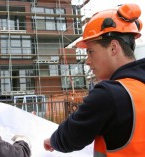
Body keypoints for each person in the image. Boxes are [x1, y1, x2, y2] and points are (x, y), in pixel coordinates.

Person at [44, 3, 145, 156]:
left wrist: (52, 140)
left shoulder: (109, 94)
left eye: (91, 52)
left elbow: (71, 136)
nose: (87, 61)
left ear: (113, 48)